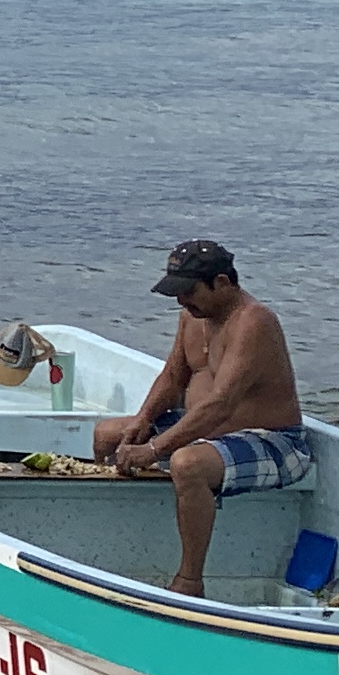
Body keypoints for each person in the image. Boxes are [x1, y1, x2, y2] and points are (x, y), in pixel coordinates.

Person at [93, 239, 307, 595]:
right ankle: (115, 548)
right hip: (208, 431)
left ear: (221, 282)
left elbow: (221, 403)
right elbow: (173, 377)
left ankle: (190, 580)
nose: (181, 300)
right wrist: (143, 418)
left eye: (189, 291)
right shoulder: (192, 317)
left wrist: (154, 449)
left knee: (187, 463)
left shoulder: (254, 321)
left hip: (273, 441)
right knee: (107, 434)